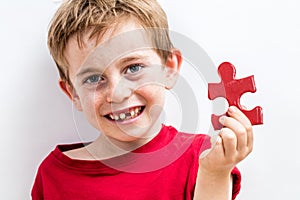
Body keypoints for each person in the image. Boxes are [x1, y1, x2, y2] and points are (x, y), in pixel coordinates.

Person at [32, 0, 253, 199]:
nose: (118, 94)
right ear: (73, 94)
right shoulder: (53, 175)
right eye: (94, 78)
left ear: (169, 68)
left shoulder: (205, 158)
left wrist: (215, 172)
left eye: (133, 68)